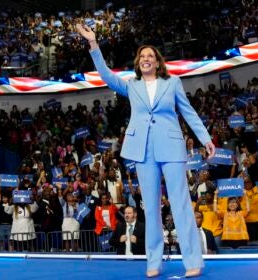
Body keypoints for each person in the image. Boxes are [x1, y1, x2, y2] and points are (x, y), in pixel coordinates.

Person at [76, 23, 215, 278]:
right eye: (142, 56)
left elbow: (188, 111)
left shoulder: (172, 82)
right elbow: (106, 75)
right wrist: (93, 44)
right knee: (150, 209)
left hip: (172, 147)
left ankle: (193, 261)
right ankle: (153, 262)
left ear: (158, 61)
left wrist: (204, 138)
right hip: (143, 151)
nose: (146, 59)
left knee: (181, 205)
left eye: (150, 56)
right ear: (138, 62)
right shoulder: (132, 85)